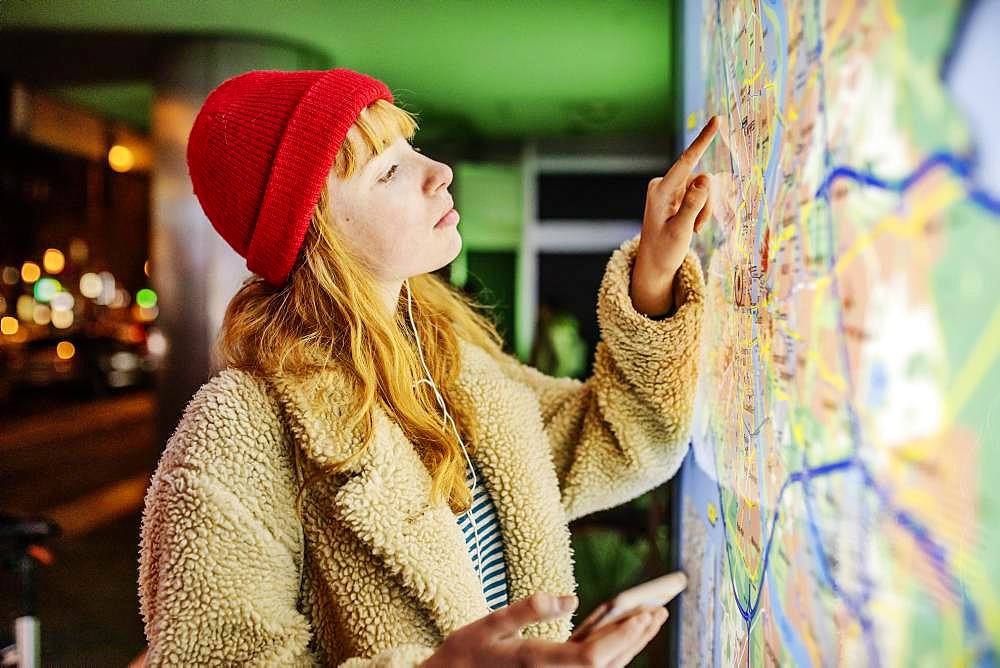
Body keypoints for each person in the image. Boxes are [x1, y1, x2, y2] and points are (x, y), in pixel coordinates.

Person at [137, 67, 717, 666]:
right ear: (315, 235)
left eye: (409, 148)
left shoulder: (452, 364)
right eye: (388, 170)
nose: (438, 173)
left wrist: (653, 277)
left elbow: (620, 437)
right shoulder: (237, 431)